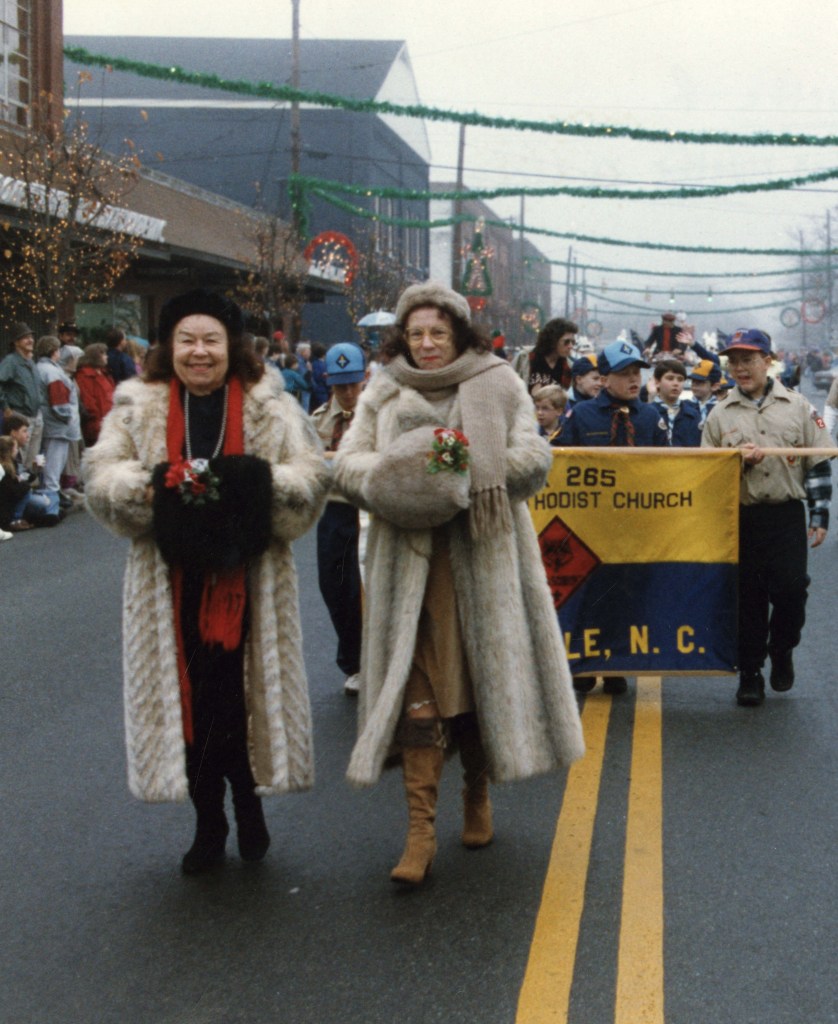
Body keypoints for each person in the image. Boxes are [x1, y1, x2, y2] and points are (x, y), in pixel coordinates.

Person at [334, 281, 584, 886]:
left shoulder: (498, 382)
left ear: (458, 334)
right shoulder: (384, 388)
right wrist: (403, 474)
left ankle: (477, 792)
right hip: (407, 567)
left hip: (483, 557)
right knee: (418, 699)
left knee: (475, 690)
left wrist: (459, 470)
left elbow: (533, 459)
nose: (426, 343)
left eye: (437, 333)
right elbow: (348, 463)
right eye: (415, 333)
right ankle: (420, 830)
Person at [84, 288, 330, 874]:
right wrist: (148, 487)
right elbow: (101, 472)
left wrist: (259, 483)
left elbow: (310, 474)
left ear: (231, 346)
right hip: (170, 585)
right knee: (193, 705)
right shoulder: (137, 405)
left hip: (250, 582)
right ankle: (208, 821)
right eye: (187, 340)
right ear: (169, 347)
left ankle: (249, 807)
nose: (199, 352)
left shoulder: (271, 405)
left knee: (239, 701)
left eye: (211, 340)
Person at [701, 328, 832, 707]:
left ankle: (783, 647)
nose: (740, 368)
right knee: (749, 598)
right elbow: (707, 476)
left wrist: (819, 514)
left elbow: (818, 462)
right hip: (742, 518)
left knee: (792, 591)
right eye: (734, 362)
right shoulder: (719, 414)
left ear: (768, 361)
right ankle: (750, 673)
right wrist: (737, 464)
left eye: (748, 360)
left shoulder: (798, 406)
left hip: (785, 516)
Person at [561, 339, 667, 696]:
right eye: (624, 373)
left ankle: (616, 664)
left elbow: (669, 466)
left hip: (634, 523)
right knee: (589, 595)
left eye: (637, 372)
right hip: (591, 524)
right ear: (604, 379)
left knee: (626, 594)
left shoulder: (650, 417)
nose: (634, 379)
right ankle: (586, 663)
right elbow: (557, 459)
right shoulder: (581, 415)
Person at [312, 342, 367, 695]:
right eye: (340, 385)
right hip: (334, 511)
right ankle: (353, 661)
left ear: (364, 379)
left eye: (353, 384)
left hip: (369, 509)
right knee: (335, 587)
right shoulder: (317, 420)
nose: (347, 392)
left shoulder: (376, 416)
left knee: (368, 587)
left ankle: (371, 661)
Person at [35, 335, 82, 513]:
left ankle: (50, 500)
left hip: (50, 423)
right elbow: (59, 402)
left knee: (48, 463)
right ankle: (52, 504)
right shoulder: (53, 372)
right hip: (58, 426)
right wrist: (68, 418)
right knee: (54, 465)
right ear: (54, 351)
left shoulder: (41, 368)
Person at [0, 323, 43, 469]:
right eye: (25, 337)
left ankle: (27, 482)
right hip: (19, 415)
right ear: (16, 342)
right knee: (18, 456)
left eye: (31, 337)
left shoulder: (31, 362)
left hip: (36, 416)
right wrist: (5, 407)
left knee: (32, 459)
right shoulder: (10, 361)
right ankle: (17, 481)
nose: (30, 340)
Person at [651, 358, 702, 446]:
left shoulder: (693, 415)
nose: (676, 383)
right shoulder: (648, 413)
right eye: (670, 378)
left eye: (680, 379)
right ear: (657, 382)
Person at [75, 343, 116, 446]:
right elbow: (88, 402)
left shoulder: (105, 373)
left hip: (110, 423)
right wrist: (98, 425)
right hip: (98, 425)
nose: (107, 356)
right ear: (95, 356)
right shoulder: (84, 376)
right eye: (103, 354)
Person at [524, 317, 577, 394]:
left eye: (573, 342)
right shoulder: (526, 358)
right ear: (553, 340)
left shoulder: (569, 367)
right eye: (566, 342)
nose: (570, 346)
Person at [685, 358, 722, 429]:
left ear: (714, 386)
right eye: (693, 381)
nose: (694, 385)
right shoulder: (685, 406)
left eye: (700, 382)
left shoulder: (720, 408)